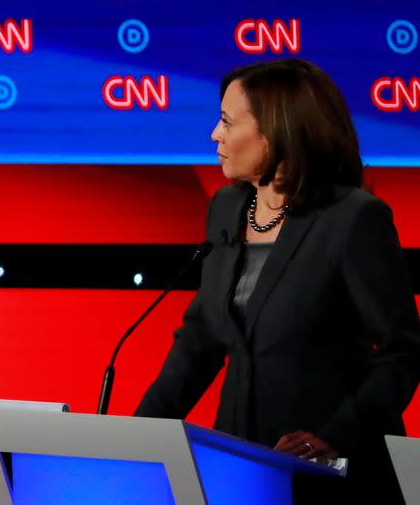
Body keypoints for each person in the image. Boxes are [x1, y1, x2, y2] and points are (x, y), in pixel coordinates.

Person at [134, 59, 420, 502]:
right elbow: (200, 340)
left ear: (277, 131)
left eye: (228, 122)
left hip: (328, 471)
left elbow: (402, 351)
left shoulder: (353, 219)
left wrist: (335, 435)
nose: (215, 134)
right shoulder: (227, 208)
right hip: (241, 465)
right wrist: (136, 437)